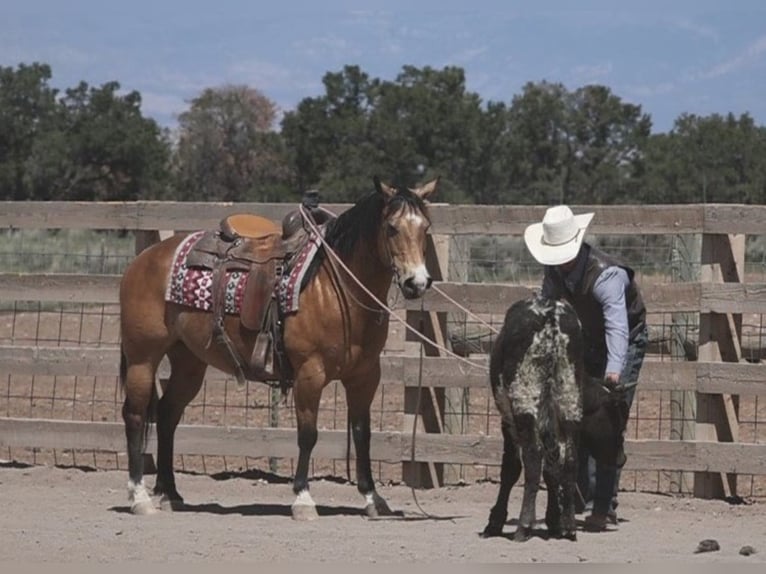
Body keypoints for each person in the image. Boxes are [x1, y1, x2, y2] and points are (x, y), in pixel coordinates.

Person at [523, 204, 648, 531]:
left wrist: (613, 372)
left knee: (607, 419)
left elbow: (618, 328)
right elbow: (546, 313)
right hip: (588, 340)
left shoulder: (606, 275)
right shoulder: (554, 273)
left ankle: (603, 505)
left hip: (625, 341)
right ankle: (578, 496)